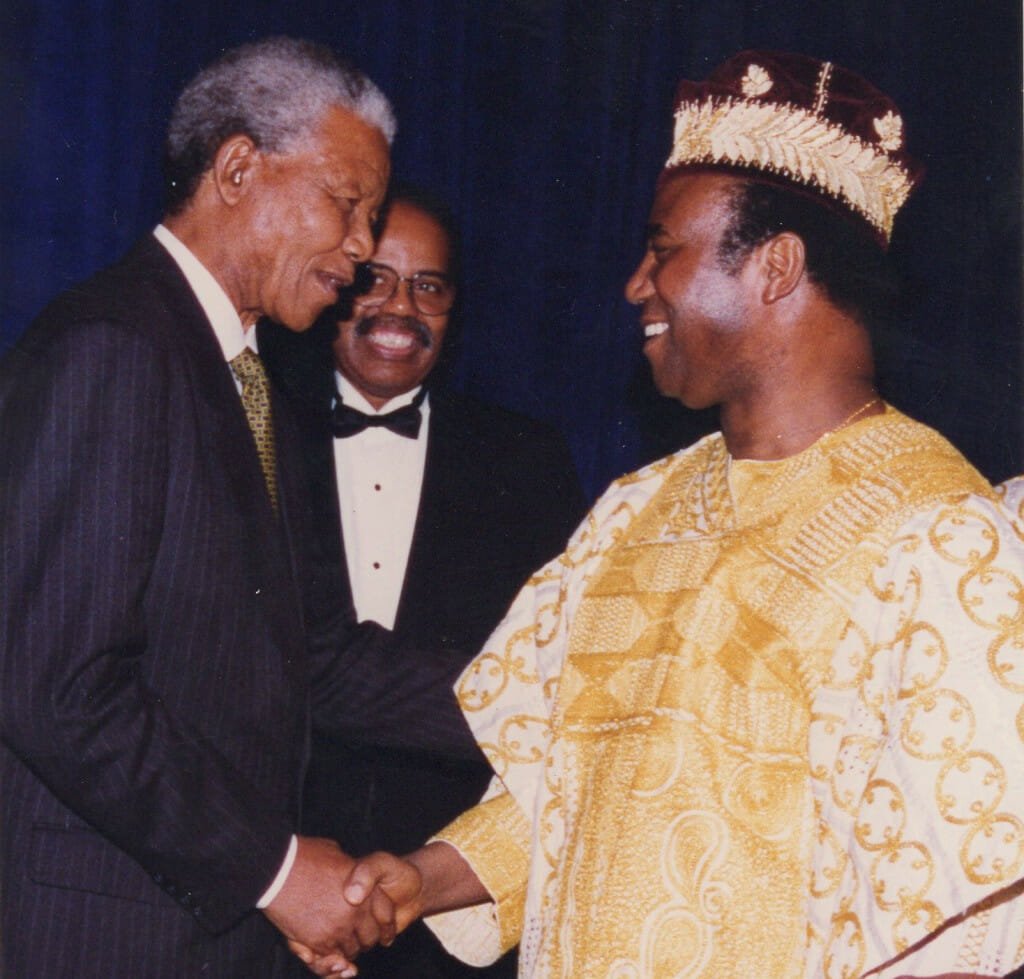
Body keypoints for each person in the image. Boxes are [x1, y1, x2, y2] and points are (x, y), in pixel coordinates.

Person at [310, 50, 1024, 979]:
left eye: (664, 249)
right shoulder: (630, 512)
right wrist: (419, 877)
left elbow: (967, 919)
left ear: (774, 266)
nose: (636, 284)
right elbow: (564, 792)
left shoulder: (941, 536)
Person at [0, 36, 432, 977]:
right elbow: (56, 685)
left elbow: (310, 655)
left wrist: (547, 699)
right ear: (238, 168)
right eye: (346, 204)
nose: (362, 249)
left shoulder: (252, 381)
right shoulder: (112, 346)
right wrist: (277, 874)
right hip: (100, 939)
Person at [260, 183, 584, 978]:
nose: (400, 306)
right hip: (268, 902)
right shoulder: (257, 430)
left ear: (455, 310)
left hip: (450, 921)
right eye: (374, 277)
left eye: (429, 286)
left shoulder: (528, 461)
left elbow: (557, 668)